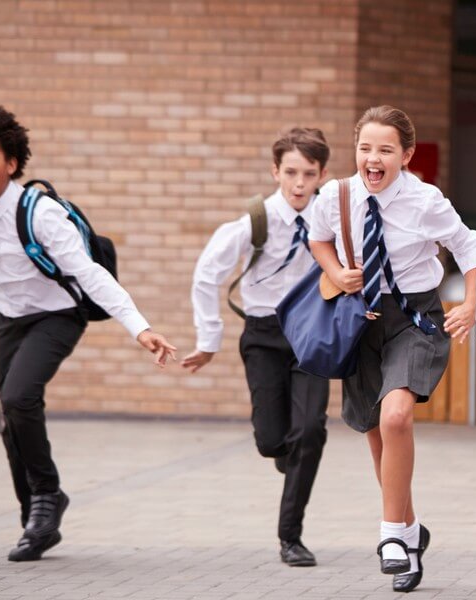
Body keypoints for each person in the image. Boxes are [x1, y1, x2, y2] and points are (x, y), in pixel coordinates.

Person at [0, 104, 177, 562]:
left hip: (57, 315)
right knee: (14, 417)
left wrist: (140, 327)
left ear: (11, 162)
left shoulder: (40, 213)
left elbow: (89, 274)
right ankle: (36, 519)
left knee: (19, 397)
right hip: (9, 319)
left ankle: (47, 495)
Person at [306, 106, 476, 592]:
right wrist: (336, 272)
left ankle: (389, 535)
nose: (373, 158)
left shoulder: (425, 201)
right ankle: (409, 532)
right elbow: (318, 239)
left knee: (396, 417)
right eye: (365, 148)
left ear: (405, 155)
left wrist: (471, 302)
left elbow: (470, 246)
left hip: (415, 319)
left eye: (385, 150)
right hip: (360, 320)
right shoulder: (336, 195)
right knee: (376, 435)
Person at [182, 127, 332, 567]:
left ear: (323, 174)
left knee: (309, 431)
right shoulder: (256, 220)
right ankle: (287, 455)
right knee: (271, 441)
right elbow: (207, 274)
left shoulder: (331, 218)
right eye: (291, 173)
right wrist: (208, 339)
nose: (299, 184)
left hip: (311, 333)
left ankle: (291, 537)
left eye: (309, 174)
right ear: (275, 171)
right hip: (264, 335)